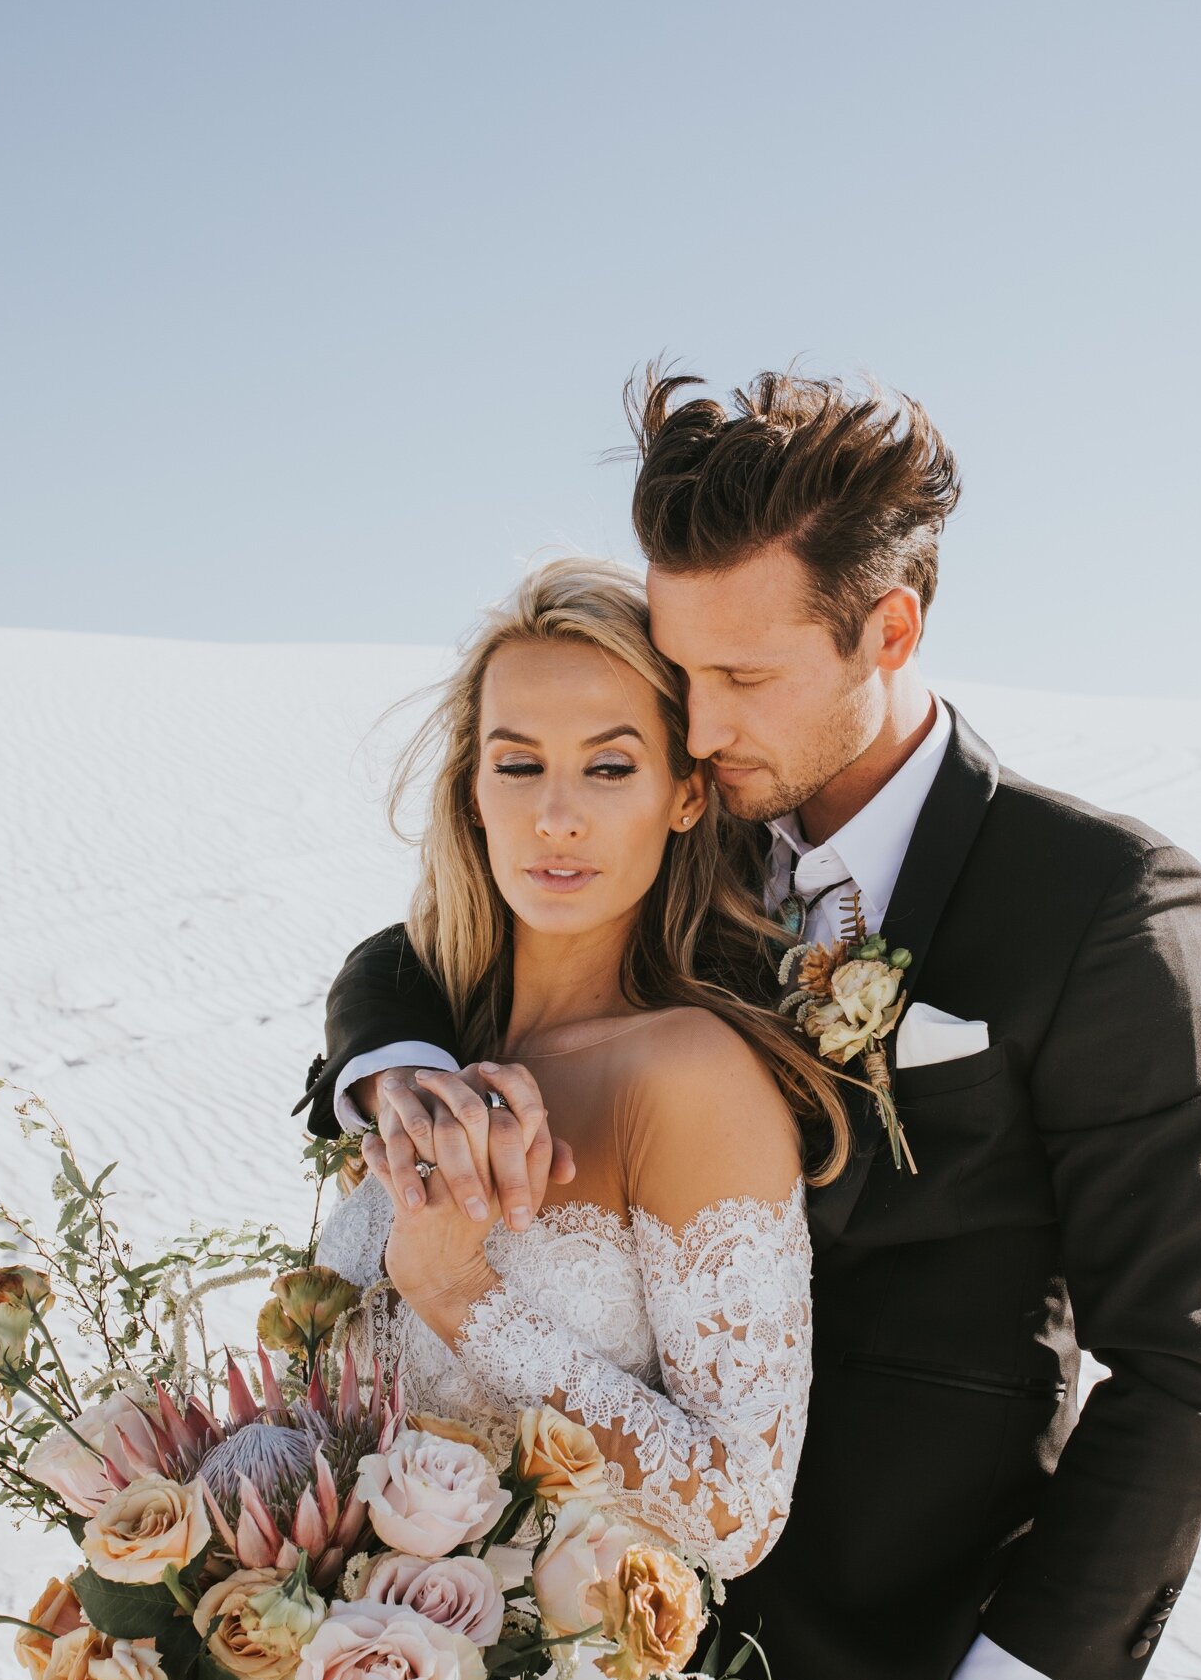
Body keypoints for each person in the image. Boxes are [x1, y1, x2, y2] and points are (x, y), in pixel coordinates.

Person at [299, 368, 1201, 1680]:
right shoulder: (681, 821)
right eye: (678, 670)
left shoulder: (1094, 906)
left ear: (886, 633)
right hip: (563, 1669)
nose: (698, 717)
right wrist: (391, 1065)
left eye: (739, 675)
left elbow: (1186, 1368)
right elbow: (438, 943)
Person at [313, 558, 849, 1583]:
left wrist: (460, 1294)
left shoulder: (687, 1077)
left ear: (686, 794)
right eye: (519, 766)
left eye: (609, 768)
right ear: (472, 792)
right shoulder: (437, 1061)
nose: (557, 816)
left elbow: (739, 1515)